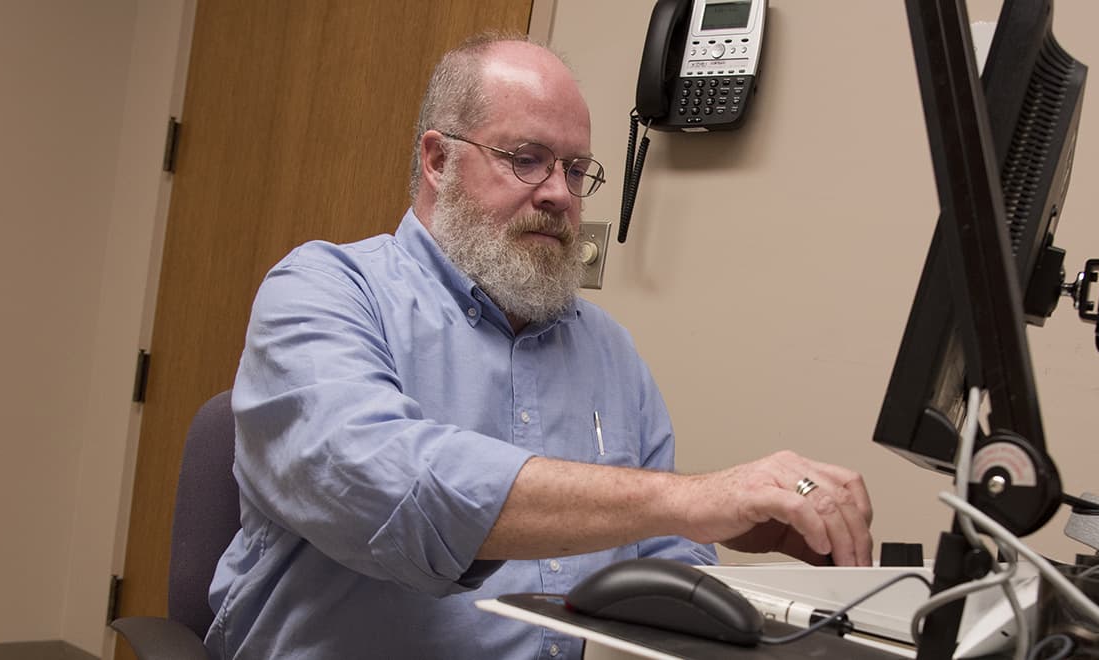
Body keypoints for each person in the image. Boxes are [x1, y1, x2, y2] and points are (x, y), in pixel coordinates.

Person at [204, 34, 874, 659]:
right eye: (526, 159)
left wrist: (743, 580)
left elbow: (673, 557)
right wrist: (696, 499)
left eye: (576, 169)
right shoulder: (324, 290)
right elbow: (388, 483)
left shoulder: (610, 352)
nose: (558, 193)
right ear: (438, 160)